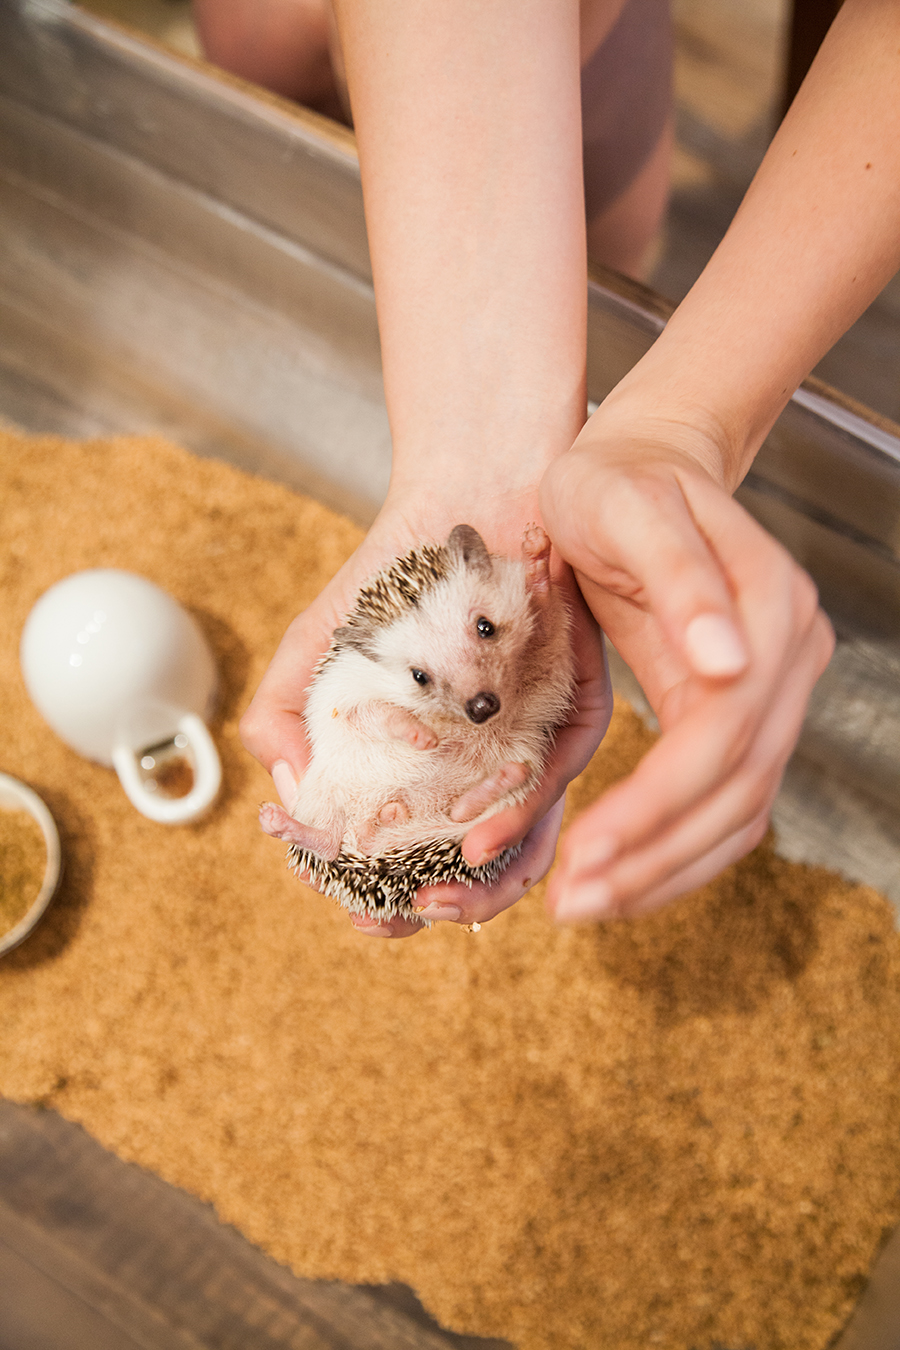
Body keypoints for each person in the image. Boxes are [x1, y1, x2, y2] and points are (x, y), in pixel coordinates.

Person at [224, 0, 897, 937]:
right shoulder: (454, 617)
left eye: (489, 627)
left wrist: (683, 425)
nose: (479, 686)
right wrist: (487, 440)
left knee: (607, 226)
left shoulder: (501, 619)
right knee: (266, 43)